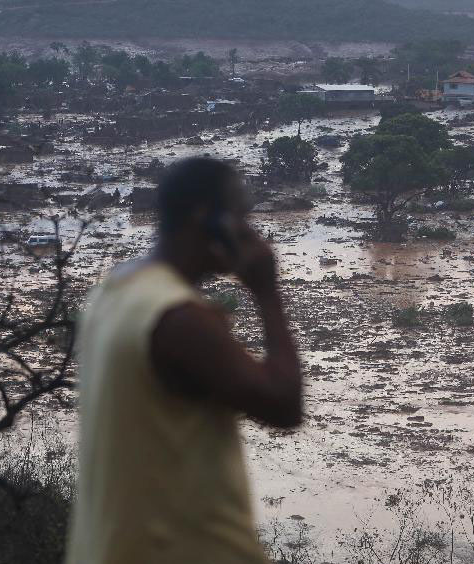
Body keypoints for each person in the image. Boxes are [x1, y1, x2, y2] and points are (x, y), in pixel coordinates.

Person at [65, 157, 302, 564]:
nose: (250, 230)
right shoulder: (180, 317)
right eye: (241, 216)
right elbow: (284, 405)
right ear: (207, 218)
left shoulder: (112, 292)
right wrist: (266, 289)